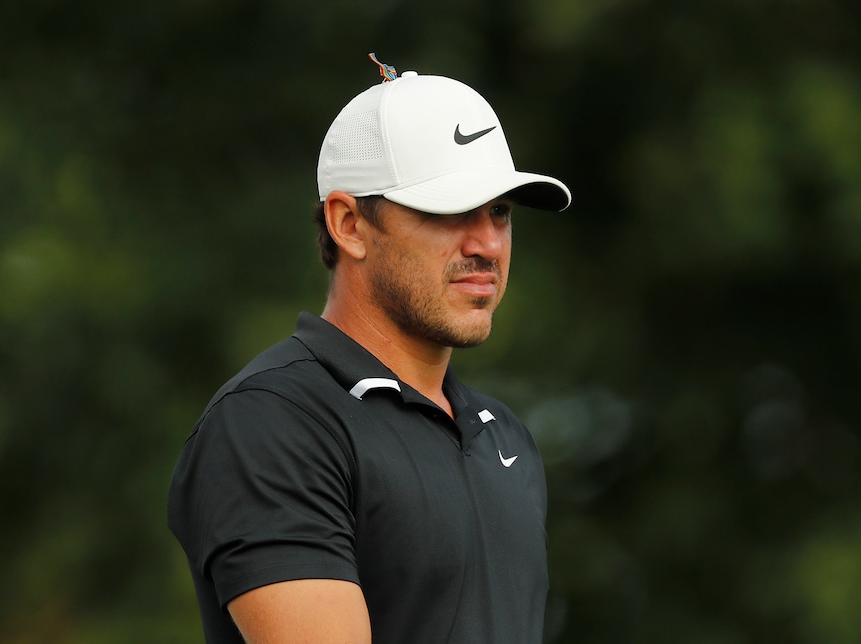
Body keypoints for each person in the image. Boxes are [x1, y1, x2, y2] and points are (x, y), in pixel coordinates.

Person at [167, 54, 571, 643]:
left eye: (501, 212)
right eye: (451, 209)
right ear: (349, 224)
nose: (488, 243)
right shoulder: (273, 422)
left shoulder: (502, 435)